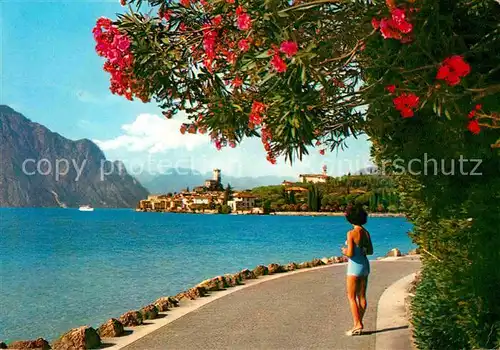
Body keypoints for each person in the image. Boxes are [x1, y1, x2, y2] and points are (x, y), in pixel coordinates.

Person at [341, 204, 373, 336]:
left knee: (351, 297)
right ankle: (358, 323)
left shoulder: (351, 233)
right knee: (362, 296)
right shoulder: (366, 232)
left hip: (354, 267)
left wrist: (344, 251)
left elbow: (350, 253)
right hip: (365, 265)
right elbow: (370, 251)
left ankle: (358, 324)